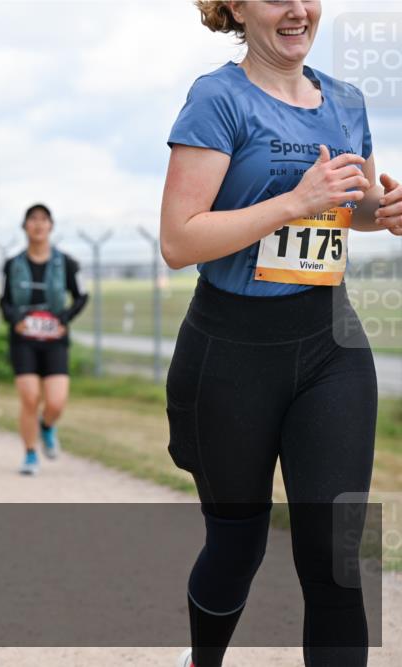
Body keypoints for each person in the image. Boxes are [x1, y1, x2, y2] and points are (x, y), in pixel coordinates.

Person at [162, 3, 400, 666]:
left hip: (329, 346)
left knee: (333, 555)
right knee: (238, 544)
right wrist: (294, 200)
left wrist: (387, 212)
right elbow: (179, 239)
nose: (298, 8)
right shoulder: (218, 99)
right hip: (232, 353)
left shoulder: (347, 100)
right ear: (237, 6)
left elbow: (352, 208)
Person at [0, 204, 88, 476]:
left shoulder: (67, 263)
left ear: (51, 226)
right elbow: (5, 301)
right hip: (23, 339)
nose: (38, 225)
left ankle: (47, 426)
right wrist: (16, 320)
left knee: (56, 402)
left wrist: (63, 320)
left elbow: (81, 296)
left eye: (43, 220)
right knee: (29, 398)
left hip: (54, 339)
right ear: (24, 226)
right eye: (32, 220)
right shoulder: (13, 264)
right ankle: (29, 454)